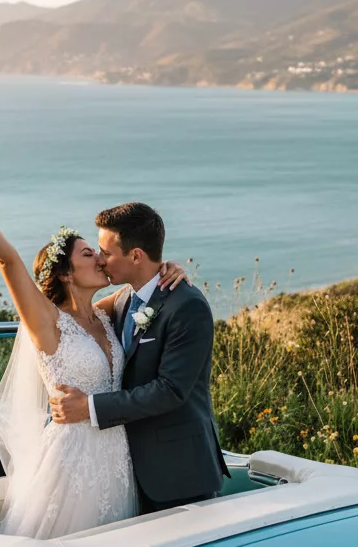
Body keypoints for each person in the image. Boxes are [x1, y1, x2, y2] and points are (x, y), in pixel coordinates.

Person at [0, 170, 187, 538]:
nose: (100, 258)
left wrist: (166, 268)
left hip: (116, 459)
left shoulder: (106, 312)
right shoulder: (46, 322)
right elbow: (6, 259)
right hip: (72, 465)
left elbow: (143, 287)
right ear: (66, 273)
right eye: (88, 253)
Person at [49, 201, 230, 513]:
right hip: (126, 472)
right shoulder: (122, 301)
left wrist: (88, 407)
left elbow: (170, 391)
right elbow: (69, 316)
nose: (101, 262)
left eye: (106, 253)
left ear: (135, 255)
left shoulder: (187, 306)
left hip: (179, 474)